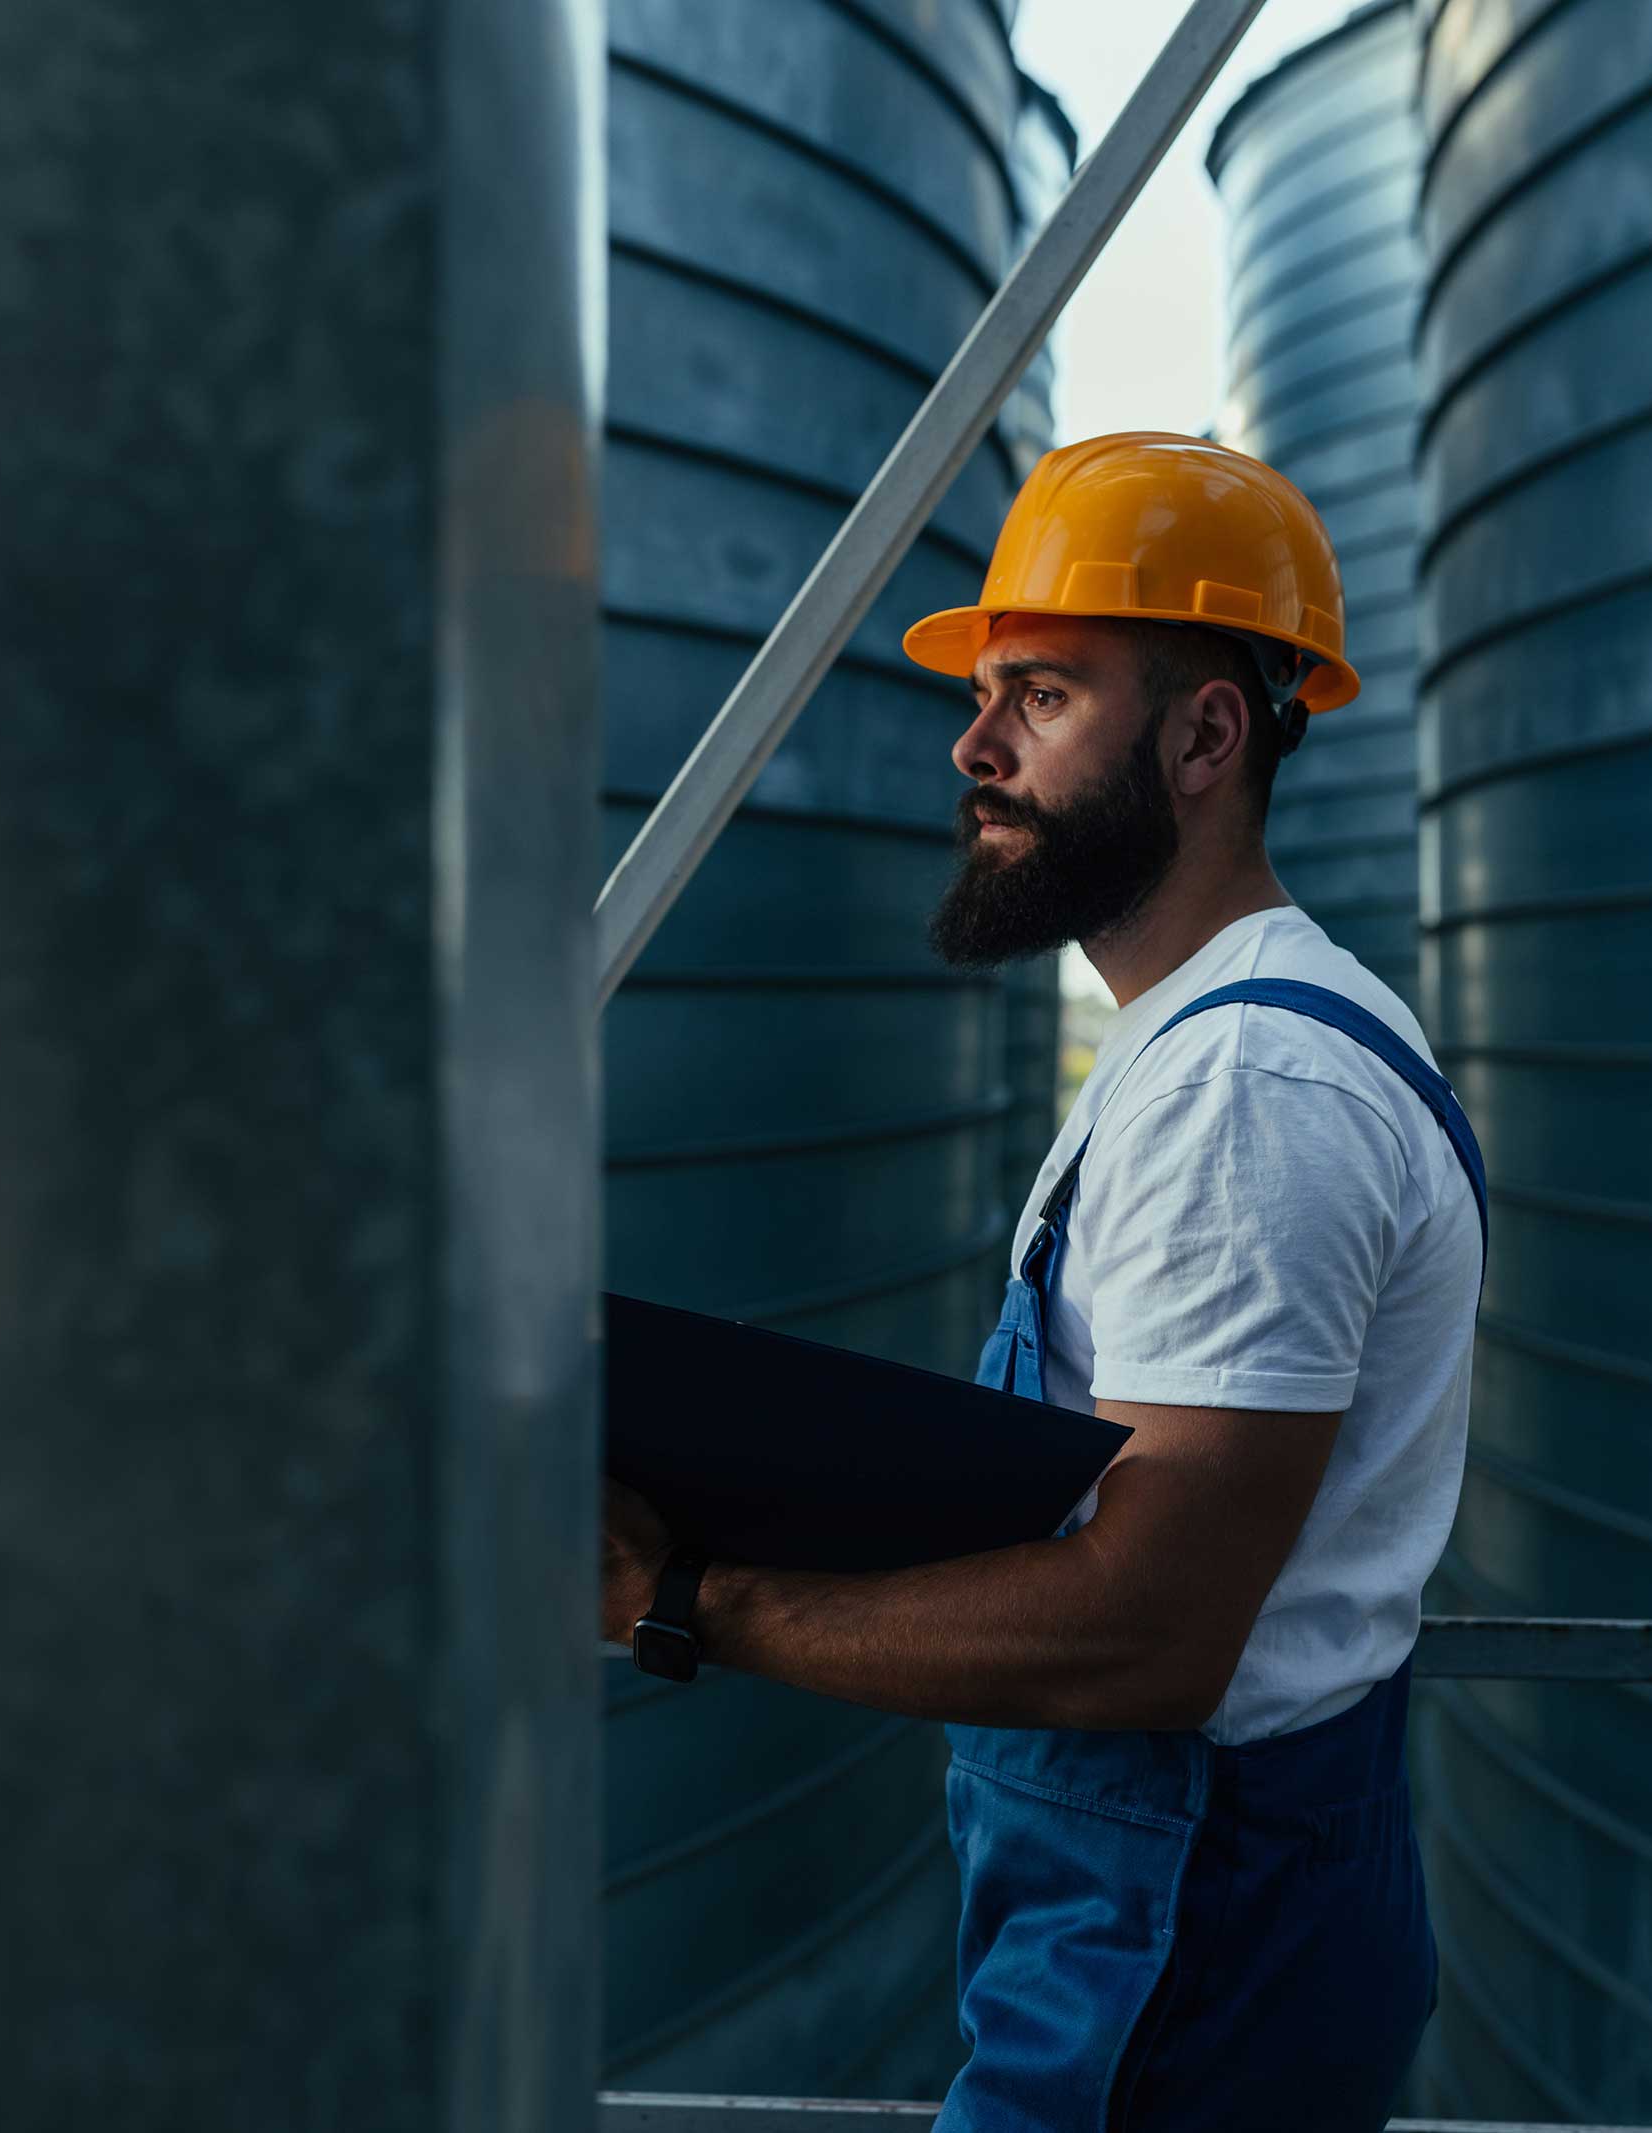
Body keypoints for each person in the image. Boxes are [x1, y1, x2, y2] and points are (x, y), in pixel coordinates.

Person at [600, 432, 1484, 2131]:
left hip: (1181, 1941)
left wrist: (692, 1599)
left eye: (1046, 696)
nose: (973, 744)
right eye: (988, 692)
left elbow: (1155, 1628)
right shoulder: (1209, 1037)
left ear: (1207, 734)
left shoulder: (1251, 1091)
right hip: (1171, 1917)